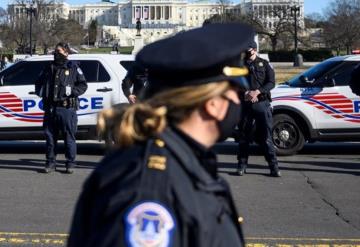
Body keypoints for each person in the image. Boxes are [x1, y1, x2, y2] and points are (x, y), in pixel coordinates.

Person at [67, 23, 254, 247]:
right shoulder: (151, 190)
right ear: (213, 104)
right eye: (235, 90)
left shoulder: (183, 161)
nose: (238, 101)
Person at [35, 42, 88, 174]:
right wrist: (42, 93)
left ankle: (70, 163)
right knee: (50, 138)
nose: (56, 54)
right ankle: (50, 163)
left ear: (66, 53)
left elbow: (83, 85)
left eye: (59, 52)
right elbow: (38, 83)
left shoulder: (73, 67)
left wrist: (72, 92)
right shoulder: (48, 67)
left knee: (68, 137)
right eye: (55, 51)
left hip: (66, 109)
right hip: (50, 108)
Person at [236, 41, 281, 177]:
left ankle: (273, 167)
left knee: (266, 137)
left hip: (262, 103)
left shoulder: (265, 64)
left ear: (254, 50)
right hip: (245, 104)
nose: (246, 52)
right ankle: (242, 166)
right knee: (244, 137)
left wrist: (258, 92)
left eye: (248, 50)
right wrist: (246, 93)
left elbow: (271, 82)